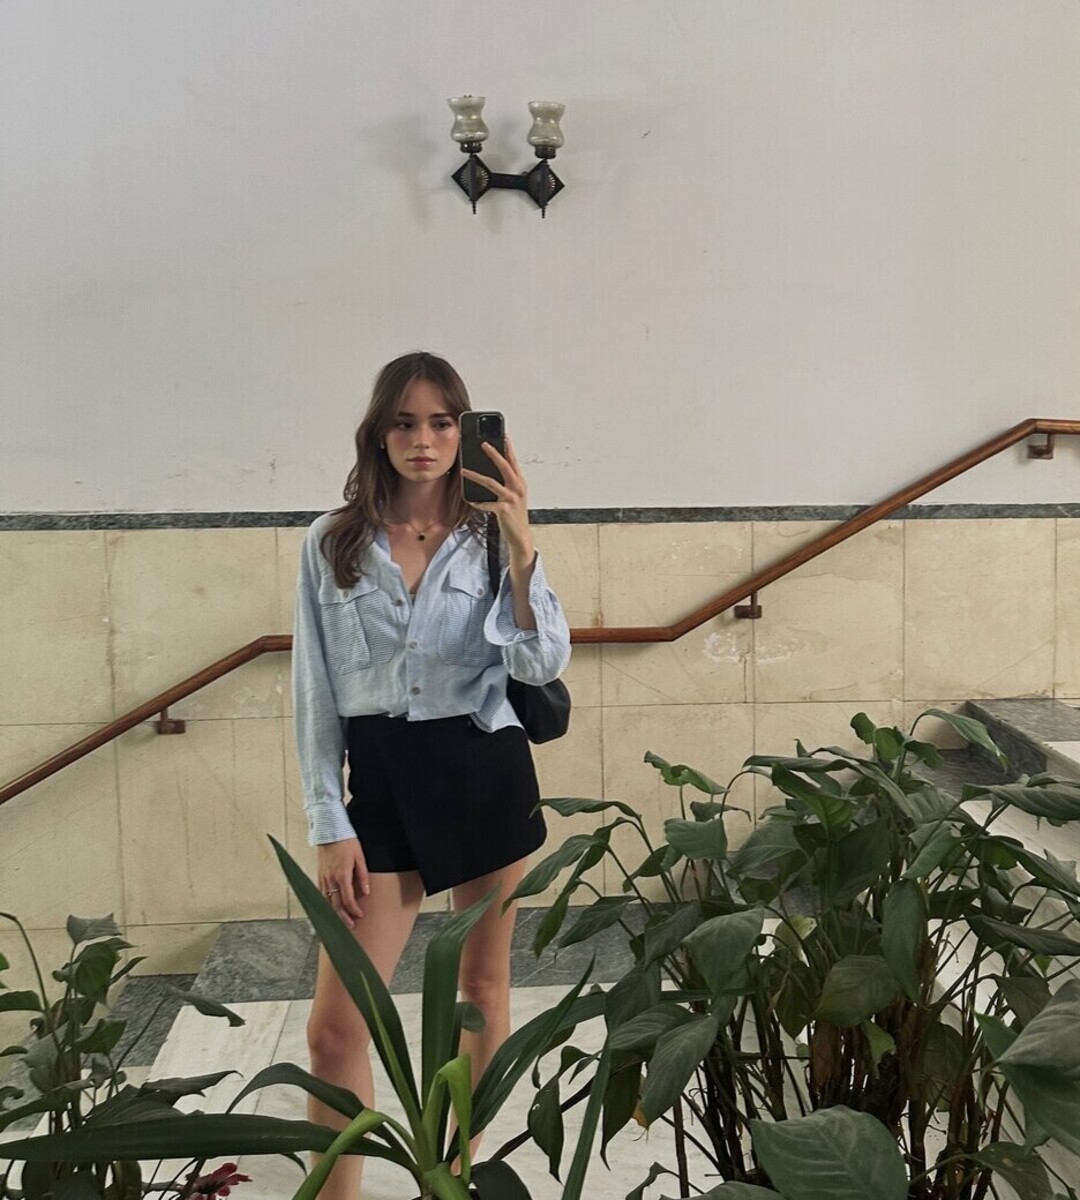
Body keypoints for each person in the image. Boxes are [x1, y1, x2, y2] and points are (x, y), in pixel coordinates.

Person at [292, 351, 571, 1198]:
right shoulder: (332, 542)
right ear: (379, 434)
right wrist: (329, 821)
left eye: (443, 422)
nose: (424, 439)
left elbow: (542, 660)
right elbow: (314, 690)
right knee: (335, 1032)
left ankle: (451, 1177)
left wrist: (521, 542)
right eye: (405, 422)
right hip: (380, 785)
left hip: (483, 771)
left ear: (465, 432)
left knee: (480, 989)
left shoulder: (490, 539)